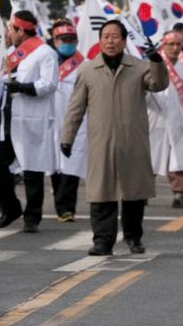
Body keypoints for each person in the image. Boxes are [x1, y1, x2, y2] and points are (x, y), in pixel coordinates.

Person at [60, 19, 168, 256]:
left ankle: (133, 238)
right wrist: (67, 137)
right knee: (101, 194)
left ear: (124, 40)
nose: (110, 41)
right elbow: (75, 107)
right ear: (99, 40)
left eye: (115, 36)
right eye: (106, 36)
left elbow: (158, 85)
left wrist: (156, 61)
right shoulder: (88, 70)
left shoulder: (139, 68)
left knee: (133, 194)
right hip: (101, 143)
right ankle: (102, 241)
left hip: (133, 142)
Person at [3, 10, 59, 233]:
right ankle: (11, 206)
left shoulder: (46, 53)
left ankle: (32, 216)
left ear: (20, 30)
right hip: (9, 118)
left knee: (32, 170)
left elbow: (49, 84)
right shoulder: (10, 52)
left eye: (11, 29)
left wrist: (23, 88)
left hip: (32, 117)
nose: (9, 33)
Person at [148, 30, 183, 209]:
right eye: (170, 44)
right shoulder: (154, 64)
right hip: (156, 119)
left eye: (178, 45)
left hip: (179, 119)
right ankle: (142, 193)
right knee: (149, 158)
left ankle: (179, 195)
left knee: (180, 159)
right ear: (163, 45)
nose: (174, 48)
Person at [49, 20, 87, 223]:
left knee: (72, 165)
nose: (68, 43)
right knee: (54, 165)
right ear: (54, 40)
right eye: (64, 39)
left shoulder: (84, 65)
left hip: (76, 122)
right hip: (50, 120)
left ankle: (66, 208)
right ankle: (59, 204)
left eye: (72, 39)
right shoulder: (46, 61)